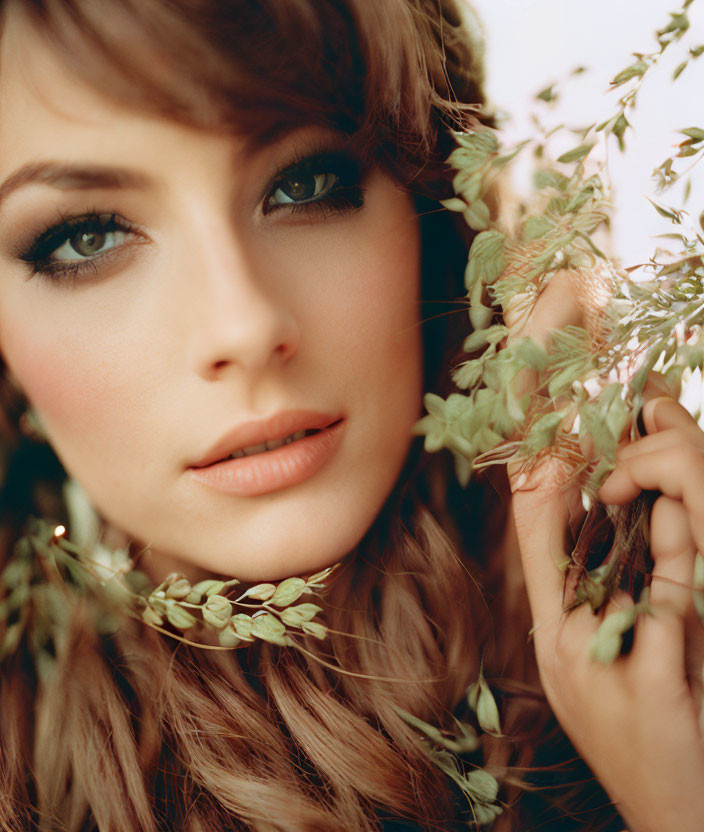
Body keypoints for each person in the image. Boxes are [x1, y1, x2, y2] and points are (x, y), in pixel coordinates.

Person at [0, 1, 702, 830]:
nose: (246, 326)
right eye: (85, 237)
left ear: (431, 208)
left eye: (304, 184)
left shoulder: (664, 628)